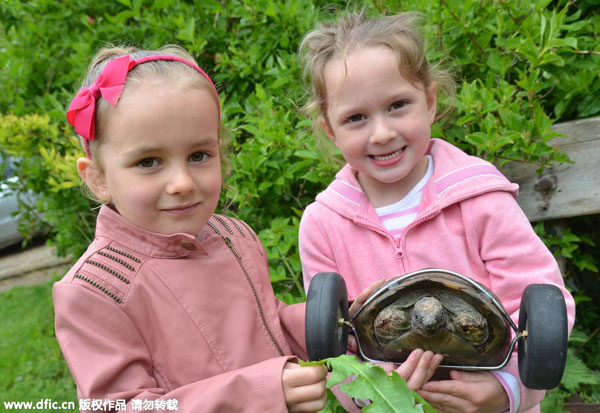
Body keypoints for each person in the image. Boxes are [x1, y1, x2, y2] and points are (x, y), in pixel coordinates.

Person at [297, 10, 575, 413]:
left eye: (397, 105)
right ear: (329, 129)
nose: (382, 133)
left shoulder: (479, 200)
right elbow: (334, 344)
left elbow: (546, 308)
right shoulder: (323, 225)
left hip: (487, 397)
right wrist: (372, 396)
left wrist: (507, 390)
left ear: (429, 101)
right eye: (356, 118)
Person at [53, 44, 331, 413]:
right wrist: (257, 393)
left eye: (199, 156)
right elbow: (121, 407)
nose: (182, 182)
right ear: (98, 177)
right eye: (148, 161)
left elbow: (265, 326)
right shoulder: (95, 291)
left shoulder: (233, 237)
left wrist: (333, 322)